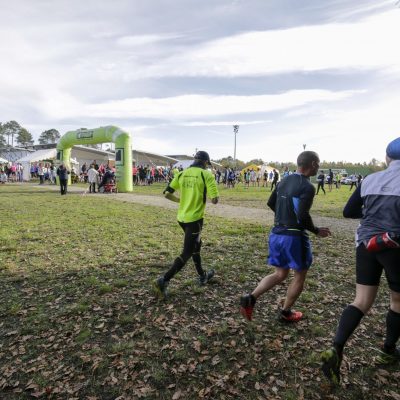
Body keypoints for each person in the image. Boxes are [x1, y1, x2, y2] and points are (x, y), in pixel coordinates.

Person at [321, 137, 400, 385]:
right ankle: (388, 351)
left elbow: (348, 211)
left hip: (366, 244)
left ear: (387, 158)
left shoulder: (370, 179)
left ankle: (336, 347)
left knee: (362, 300)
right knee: (397, 300)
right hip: (395, 246)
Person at [240, 151, 331, 322]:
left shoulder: (283, 181)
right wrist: (316, 230)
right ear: (312, 164)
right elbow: (303, 216)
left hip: (276, 233)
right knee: (299, 275)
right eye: (318, 164)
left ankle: (250, 298)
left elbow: (270, 202)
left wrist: (284, 216)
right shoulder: (307, 187)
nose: (318, 167)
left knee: (280, 274)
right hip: (294, 238)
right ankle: (286, 313)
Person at [153, 151, 219, 299]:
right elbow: (215, 200)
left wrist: (181, 201)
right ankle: (164, 280)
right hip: (194, 219)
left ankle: (202, 275)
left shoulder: (182, 174)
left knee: (197, 245)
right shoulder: (207, 175)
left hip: (181, 218)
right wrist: (211, 189)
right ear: (205, 163)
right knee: (187, 252)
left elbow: (167, 193)